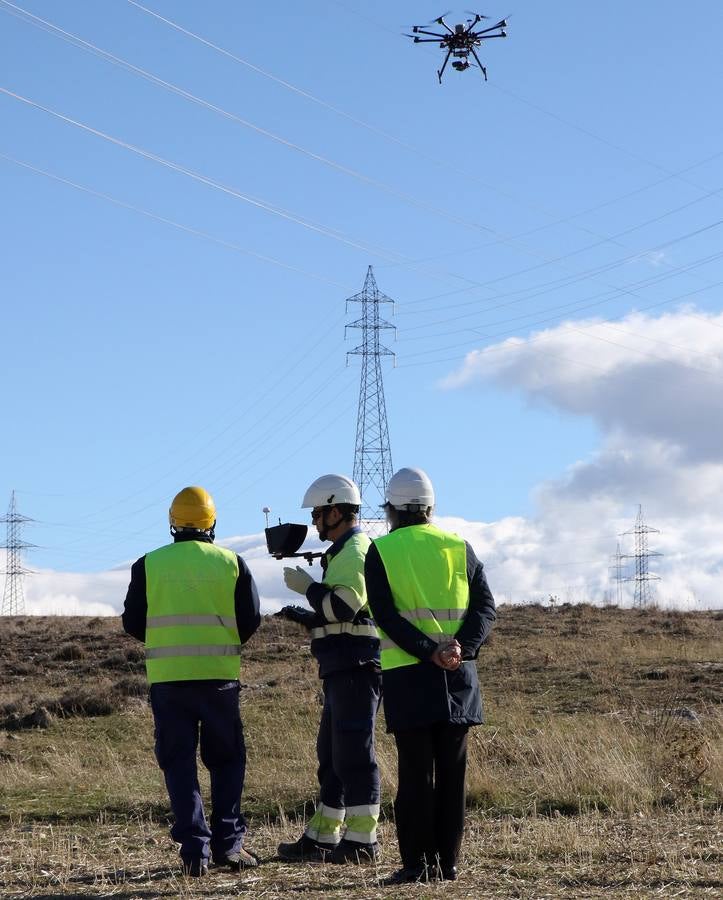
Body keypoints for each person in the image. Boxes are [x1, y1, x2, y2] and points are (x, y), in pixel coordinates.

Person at [365, 467, 496, 884]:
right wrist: (461, 648)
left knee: (416, 775)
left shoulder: (381, 551)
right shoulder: (460, 547)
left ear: (392, 509)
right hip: (458, 677)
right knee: (453, 776)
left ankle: (417, 864)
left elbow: (386, 616)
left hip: (409, 676)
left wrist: (428, 651)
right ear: (430, 508)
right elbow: (485, 609)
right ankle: (448, 864)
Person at [122, 486, 261, 878]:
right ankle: (229, 845)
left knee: (179, 763)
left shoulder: (148, 564)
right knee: (227, 760)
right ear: (211, 522)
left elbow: (132, 621)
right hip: (219, 679)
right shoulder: (232, 563)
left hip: (168, 682)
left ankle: (194, 852)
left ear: (173, 522)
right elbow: (251, 619)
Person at [276, 474, 381, 864]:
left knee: (353, 752)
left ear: (336, 511)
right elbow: (339, 612)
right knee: (334, 754)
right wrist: (308, 615)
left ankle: (363, 842)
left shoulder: (354, 552)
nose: (314, 521)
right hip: (343, 664)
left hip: (356, 664)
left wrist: (307, 588)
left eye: (318, 513)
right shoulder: (342, 553)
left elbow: (342, 607)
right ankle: (322, 836)